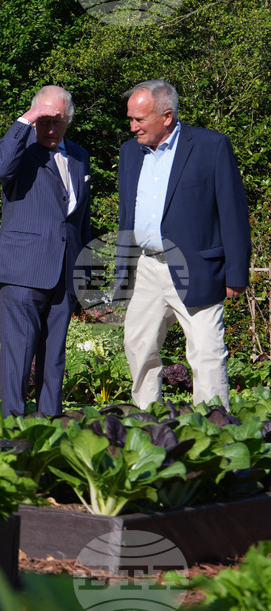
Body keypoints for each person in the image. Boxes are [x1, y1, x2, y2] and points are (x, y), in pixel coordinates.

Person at [117, 79, 250, 409]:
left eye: (139, 119)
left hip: (197, 266)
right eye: (130, 119)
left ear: (166, 115)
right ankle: (148, 418)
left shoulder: (211, 146)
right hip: (146, 266)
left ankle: (213, 428)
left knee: (206, 350)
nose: (132, 126)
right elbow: (125, 213)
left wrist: (235, 272)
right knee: (138, 344)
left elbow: (232, 211)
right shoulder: (129, 152)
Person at [0, 85, 92, 417]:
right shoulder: (21, 150)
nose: (49, 128)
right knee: (18, 354)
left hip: (64, 271)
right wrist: (26, 120)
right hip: (21, 272)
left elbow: (80, 220)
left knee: (54, 355)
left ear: (69, 121)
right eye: (42, 120)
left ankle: (50, 421)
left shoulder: (79, 156)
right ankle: (14, 428)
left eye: (56, 121)